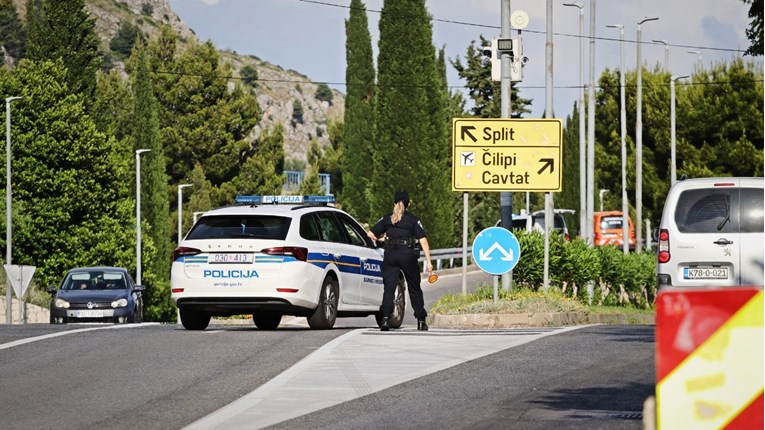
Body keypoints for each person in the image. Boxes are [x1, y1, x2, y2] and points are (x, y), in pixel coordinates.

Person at [367, 190, 433, 331]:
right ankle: (421, 320)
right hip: (407, 255)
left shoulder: (387, 219)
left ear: (394, 203)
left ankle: (385, 320)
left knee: (389, 288)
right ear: (408, 203)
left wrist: (381, 239)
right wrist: (429, 261)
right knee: (414, 287)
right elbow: (423, 241)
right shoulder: (413, 220)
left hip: (390, 254)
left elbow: (370, 234)